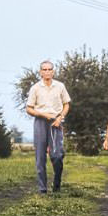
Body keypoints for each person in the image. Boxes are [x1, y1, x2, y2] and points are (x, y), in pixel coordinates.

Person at [26, 60, 71, 193]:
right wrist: (42, 114)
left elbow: (66, 104)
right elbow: (29, 108)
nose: (47, 72)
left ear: (53, 71)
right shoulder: (35, 88)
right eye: (44, 70)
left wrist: (60, 117)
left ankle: (57, 183)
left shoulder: (60, 86)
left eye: (49, 69)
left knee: (57, 155)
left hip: (56, 122)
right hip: (40, 121)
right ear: (40, 72)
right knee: (40, 157)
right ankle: (42, 189)